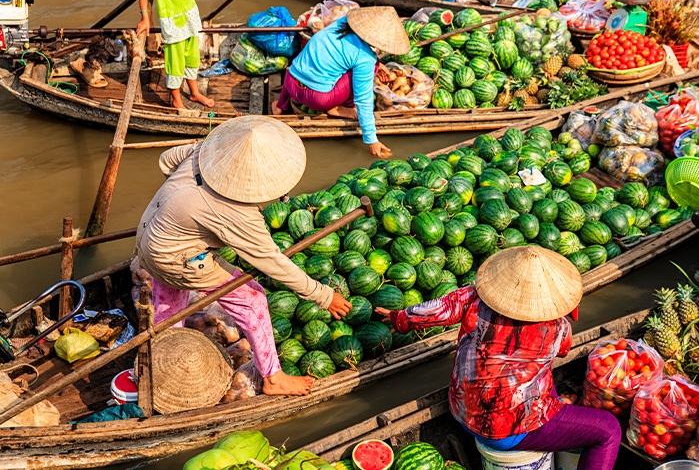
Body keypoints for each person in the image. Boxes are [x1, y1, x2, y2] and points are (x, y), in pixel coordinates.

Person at [133, 115, 351, 396]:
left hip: (150, 236)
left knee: (171, 299)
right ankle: (273, 378)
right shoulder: (237, 214)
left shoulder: (203, 151)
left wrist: (187, 206)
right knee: (253, 298)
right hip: (178, 258)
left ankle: (164, 357)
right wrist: (323, 295)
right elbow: (271, 261)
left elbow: (166, 160)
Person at [376, 246, 621, 470]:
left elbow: (437, 310)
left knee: (544, 383)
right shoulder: (559, 329)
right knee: (609, 430)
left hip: (462, 411)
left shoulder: (473, 297)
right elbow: (563, 351)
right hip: (509, 431)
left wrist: (399, 318)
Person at [271, 6, 410, 158]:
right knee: (368, 71)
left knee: (306, 65)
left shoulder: (341, 23)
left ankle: (279, 106)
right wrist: (372, 140)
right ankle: (340, 108)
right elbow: (363, 99)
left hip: (290, 80)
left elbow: (342, 50)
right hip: (317, 99)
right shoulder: (365, 58)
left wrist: (376, 62)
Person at [136, 0, 215, 110]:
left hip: (189, 21)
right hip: (174, 26)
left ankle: (195, 93)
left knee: (192, 59)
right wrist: (145, 18)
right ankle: (176, 101)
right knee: (176, 65)